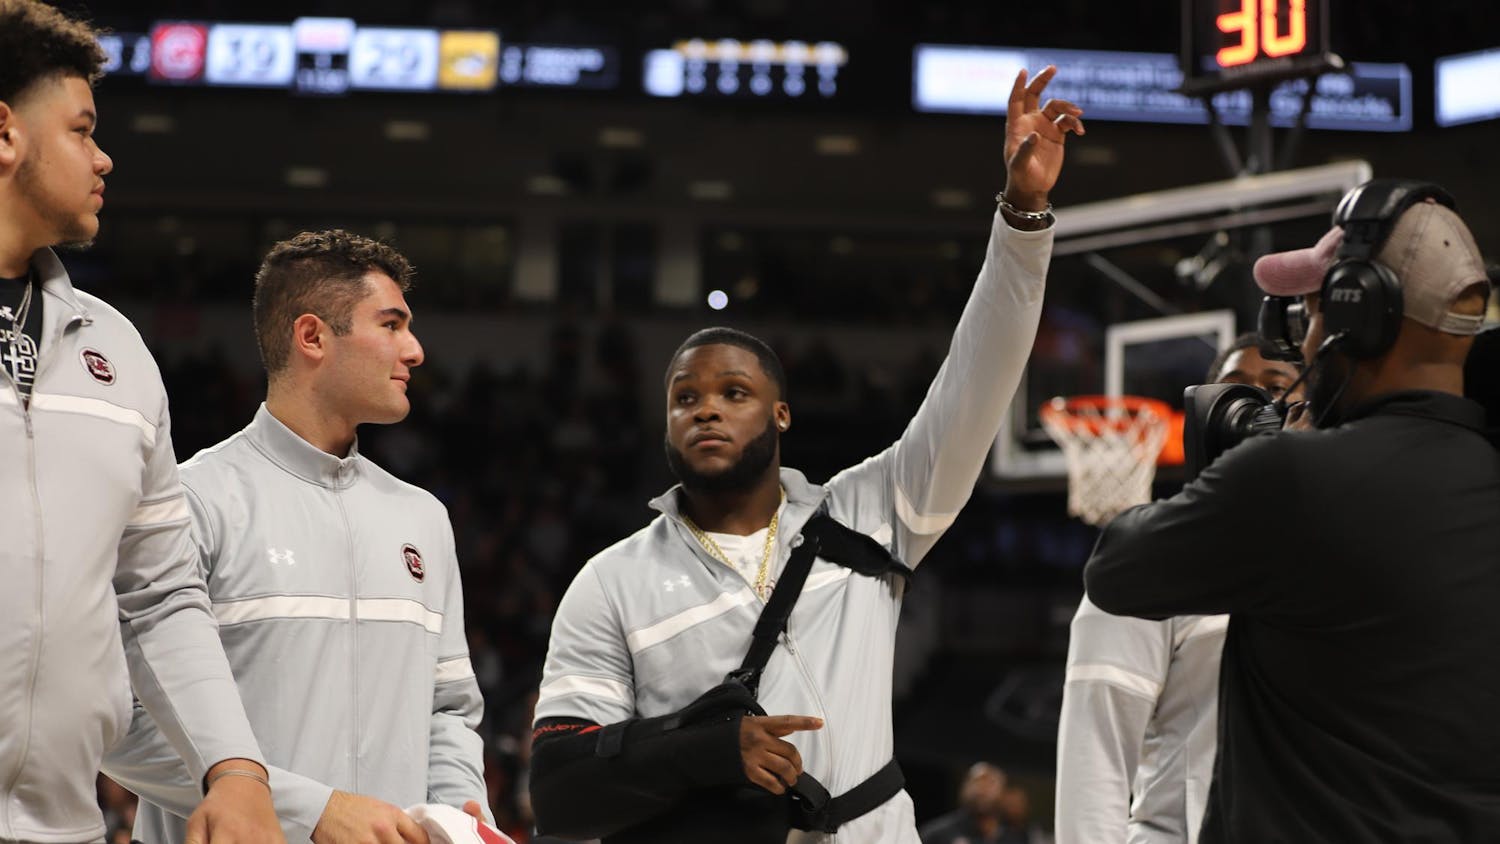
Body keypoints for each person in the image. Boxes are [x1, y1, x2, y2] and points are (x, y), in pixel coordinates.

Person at [527, 66, 1084, 843]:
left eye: (732, 393)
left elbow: (975, 384)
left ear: (781, 414)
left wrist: (1022, 220)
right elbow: (560, 795)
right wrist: (705, 753)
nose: (706, 410)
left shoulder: (870, 512)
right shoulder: (612, 581)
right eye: (685, 398)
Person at [1084, 180, 1500, 841]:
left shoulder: (1292, 481)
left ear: (1360, 316)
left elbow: (1116, 568)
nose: (1303, 346)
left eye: (1310, 316)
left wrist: (1250, 458)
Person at [102, 231, 491, 842]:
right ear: (312, 337)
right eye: (391, 325)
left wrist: (460, 814)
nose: (414, 350)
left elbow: (449, 710)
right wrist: (310, 811)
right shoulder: (190, 502)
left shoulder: (423, 518)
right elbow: (116, 721)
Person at [0, 3, 282, 841]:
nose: (104, 156)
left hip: (65, 825)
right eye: (83, 129)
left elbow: (159, 595)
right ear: (5, 134)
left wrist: (234, 767)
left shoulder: (116, 350)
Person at [1054, 335, 1298, 844]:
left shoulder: (1341, 548)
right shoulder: (1147, 558)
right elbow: (1095, 756)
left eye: (1275, 389)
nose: (1252, 409)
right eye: (1234, 391)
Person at [918, 763, 1027, 844]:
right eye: (977, 782)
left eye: (991, 784)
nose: (983, 790)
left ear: (1003, 793)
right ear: (963, 789)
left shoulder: (1014, 839)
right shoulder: (938, 834)